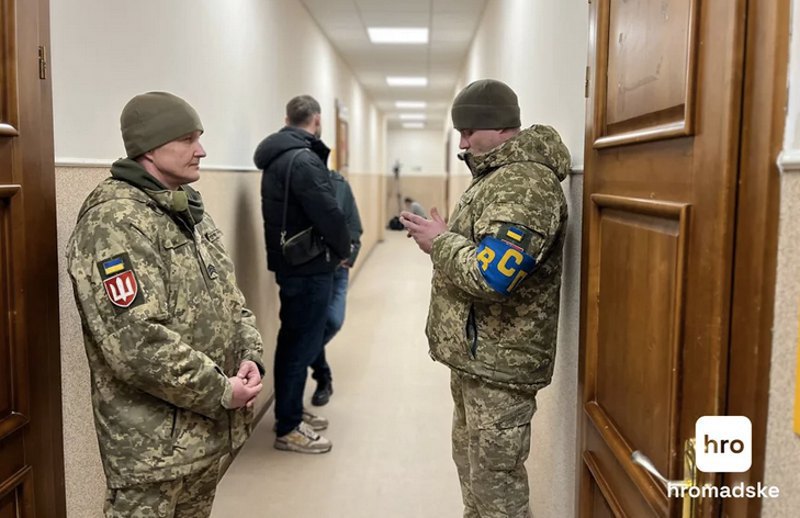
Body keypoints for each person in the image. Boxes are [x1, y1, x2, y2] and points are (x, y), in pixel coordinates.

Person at [66, 91, 264, 518]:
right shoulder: (115, 221)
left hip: (204, 435)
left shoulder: (187, 210)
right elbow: (136, 344)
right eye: (189, 139)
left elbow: (230, 299)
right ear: (151, 148)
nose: (202, 150)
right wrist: (222, 390)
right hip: (152, 452)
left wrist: (251, 357)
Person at [400, 79, 570, 517]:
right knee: (474, 471)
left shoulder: (525, 185)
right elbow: (485, 251)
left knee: (498, 488)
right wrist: (447, 237)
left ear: (495, 127)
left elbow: (493, 276)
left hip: (502, 365)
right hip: (478, 357)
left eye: (468, 132)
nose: (463, 143)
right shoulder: (496, 176)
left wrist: (440, 244)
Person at [253, 95, 350, 453]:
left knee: (294, 341)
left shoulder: (278, 157)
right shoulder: (304, 160)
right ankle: (289, 427)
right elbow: (329, 214)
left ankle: (290, 411)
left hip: (292, 264)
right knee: (300, 345)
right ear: (317, 120)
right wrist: (343, 251)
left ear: (287, 118)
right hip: (309, 266)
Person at [309, 169, 363, 406]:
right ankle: (323, 378)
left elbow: (354, 227)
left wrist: (348, 255)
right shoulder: (301, 184)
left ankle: (307, 360)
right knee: (313, 327)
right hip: (313, 270)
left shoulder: (340, 184)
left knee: (332, 322)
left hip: (338, 269)